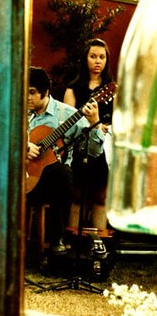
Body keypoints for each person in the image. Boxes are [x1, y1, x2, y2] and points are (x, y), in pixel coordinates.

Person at [26, 66, 106, 255]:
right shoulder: (19, 113)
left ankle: (57, 240)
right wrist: (24, 146)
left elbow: (94, 151)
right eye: (25, 92)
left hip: (52, 184)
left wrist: (94, 123)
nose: (27, 97)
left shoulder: (67, 114)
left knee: (61, 171)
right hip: (21, 180)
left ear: (45, 92)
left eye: (32, 92)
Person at [63, 39, 115, 234]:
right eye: (93, 56)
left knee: (101, 198)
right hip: (77, 148)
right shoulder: (73, 88)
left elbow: (119, 121)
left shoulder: (112, 89)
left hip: (103, 149)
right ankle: (71, 239)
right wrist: (91, 124)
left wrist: (102, 127)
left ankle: (99, 244)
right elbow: (66, 123)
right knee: (76, 197)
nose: (97, 61)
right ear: (85, 59)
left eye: (102, 57)